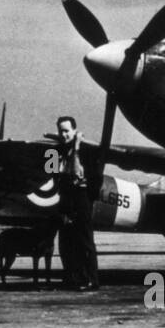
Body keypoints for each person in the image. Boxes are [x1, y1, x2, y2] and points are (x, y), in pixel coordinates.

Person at [53, 116, 99, 291]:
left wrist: (77, 147)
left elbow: (78, 173)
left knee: (85, 240)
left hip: (81, 197)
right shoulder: (56, 150)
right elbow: (53, 174)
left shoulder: (87, 150)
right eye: (60, 131)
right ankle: (71, 277)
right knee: (65, 241)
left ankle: (91, 280)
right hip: (65, 197)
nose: (63, 134)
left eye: (66, 131)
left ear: (74, 130)